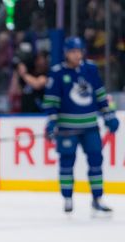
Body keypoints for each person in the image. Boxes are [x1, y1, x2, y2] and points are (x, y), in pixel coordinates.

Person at [43, 37, 119, 215]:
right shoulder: (57, 73)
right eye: (73, 51)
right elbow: (51, 101)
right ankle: (68, 198)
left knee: (95, 161)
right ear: (66, 53)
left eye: (79, 51)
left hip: (90, 126)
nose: (77, 55)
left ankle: (97, 198)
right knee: (67, 162)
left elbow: (100, 94)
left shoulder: (90, 69)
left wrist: (108, 115)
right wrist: (52, 122)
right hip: (67, 129)